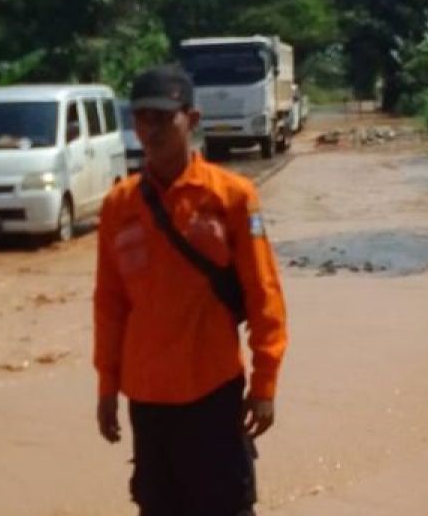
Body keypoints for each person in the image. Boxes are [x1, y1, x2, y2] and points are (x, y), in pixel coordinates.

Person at [94, 65, 289, 516]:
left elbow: (265, 295)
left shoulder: (234, 198)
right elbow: (110, 303)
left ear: (192, 119)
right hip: (147, 399)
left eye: (164, 118)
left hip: (214, 394)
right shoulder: (118, 206)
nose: (152, 130)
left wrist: (265, 384)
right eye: (142, 118)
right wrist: (108, 385)